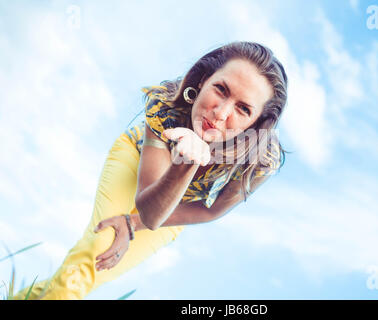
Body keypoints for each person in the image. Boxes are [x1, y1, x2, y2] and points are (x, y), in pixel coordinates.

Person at [13, 41, 288, 300]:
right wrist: (187, 160)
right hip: (136, 160)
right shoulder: (166, 105)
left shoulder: (261, 161)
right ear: (203, 80)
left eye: (243, 108)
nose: (220, 113)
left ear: (257, 122)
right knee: (99, 247)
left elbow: (209, 210)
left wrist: (131, 224)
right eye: (221, 89)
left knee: (95, 268)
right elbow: (148, 205)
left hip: (178, 206)